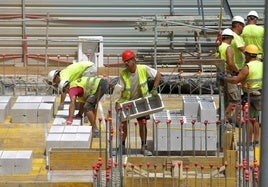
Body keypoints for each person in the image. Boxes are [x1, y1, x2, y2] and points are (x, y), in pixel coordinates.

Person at [115, 49, 161, 156]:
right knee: (123, 125)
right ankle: (121, 146)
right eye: (124, 61)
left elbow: (158, 74)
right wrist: (117, 102)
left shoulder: (143, 69)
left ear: (133, 60)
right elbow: (119, 89)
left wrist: (154, 88)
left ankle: (143, 147)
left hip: (141, 102)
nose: (126, 63)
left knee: (143, 124)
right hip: (127, 102)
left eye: (127, 61)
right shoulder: (123, 74)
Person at [218, 44, 262, 146]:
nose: (245, 56)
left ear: (248, 54)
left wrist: (224, 78)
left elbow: (236, 80)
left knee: (250, 119)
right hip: (260, 94)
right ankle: (256, 140)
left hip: (251, 95)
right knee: (255, 119)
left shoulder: (248, 66)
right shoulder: (261, 64)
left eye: (245, 54)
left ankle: (249, 142)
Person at [218, 28, 240, 120]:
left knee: (224, 99)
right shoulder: (228, 47)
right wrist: (237, 71)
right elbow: (230, 63)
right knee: (235, 99)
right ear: (230, 38)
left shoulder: (219, 47)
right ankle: (225, 118)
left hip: (220, 75)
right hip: (228, 75)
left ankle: (222, 118)